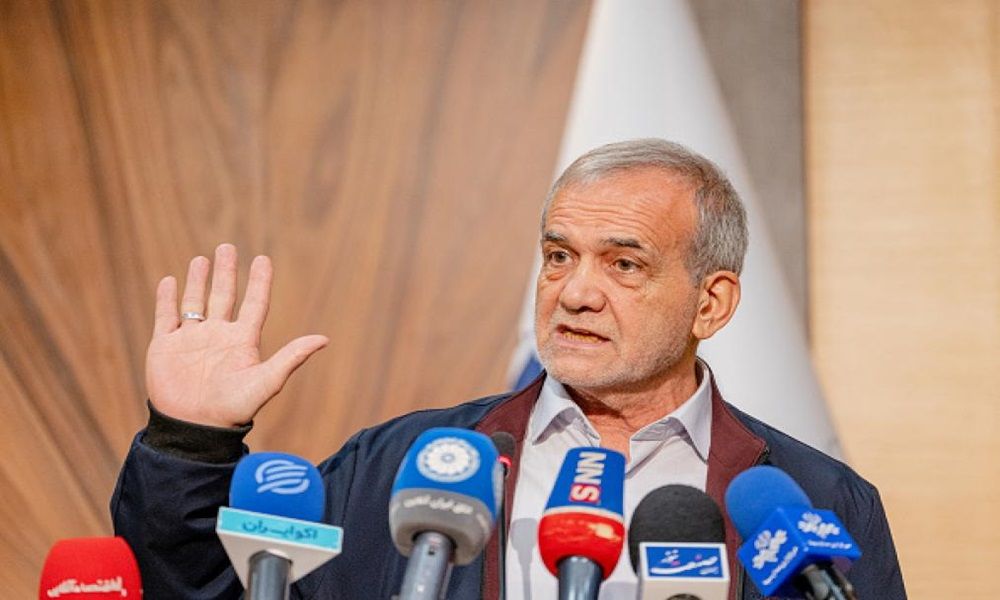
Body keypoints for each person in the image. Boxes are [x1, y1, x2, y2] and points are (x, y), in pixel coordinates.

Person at [112, 139, 906, 599]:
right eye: (558, 255)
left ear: (712, 302)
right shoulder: (400, 467)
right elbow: (202, 591)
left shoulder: (815, 504)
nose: (575, 292)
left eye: (624, 264)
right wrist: (190, 442)